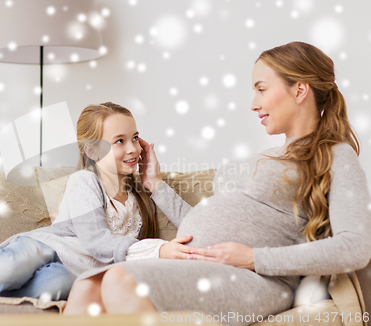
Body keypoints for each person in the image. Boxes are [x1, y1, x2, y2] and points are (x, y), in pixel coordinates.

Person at [63, 41, 371, 324]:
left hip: (257, 279)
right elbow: (204, 229)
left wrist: (253, 258)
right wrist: (155, 184)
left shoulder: (335, 155)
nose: (254, 103)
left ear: (300, 90)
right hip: (203, 263)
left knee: (119, 280)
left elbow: (356, 247)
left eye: (261, 89)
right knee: (87, 287)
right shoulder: (268, 155)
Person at [0, 102, 202, 299]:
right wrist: (159, 249)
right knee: (7, 269)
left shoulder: (139, 196)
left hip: (75, 272)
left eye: (133, 138)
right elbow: (98, 243)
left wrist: (155, 182)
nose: (132, 149)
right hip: (45, 248)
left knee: (55, 288)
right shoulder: (85, 182)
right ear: (91, 150)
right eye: (119, 141)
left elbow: (197, 227)